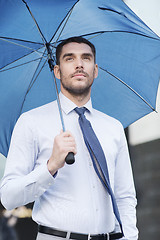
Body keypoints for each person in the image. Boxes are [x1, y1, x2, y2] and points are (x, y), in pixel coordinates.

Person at [0, 37, 138, 240]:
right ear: (57, 71)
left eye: (86, 58)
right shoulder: (31, 122)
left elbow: (125, 195)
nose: (79, 64)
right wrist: (50, 166)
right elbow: (8, 197)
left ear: (95, 69)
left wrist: (131, 237)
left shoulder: (113, 127)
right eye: (69, 58)